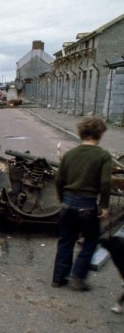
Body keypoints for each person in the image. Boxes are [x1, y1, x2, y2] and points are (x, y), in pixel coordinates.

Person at [52, 117, 111, 291]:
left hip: (68, 203)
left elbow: (59, 179)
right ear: (100, 134)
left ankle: (58, 278)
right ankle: (78, 277)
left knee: (65, 241)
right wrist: (104, 206)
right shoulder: (103, 156)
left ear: (81, 133)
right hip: (87, 205)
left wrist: (63, 199)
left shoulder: (70, 155)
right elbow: (106, 183)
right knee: (91, 239)